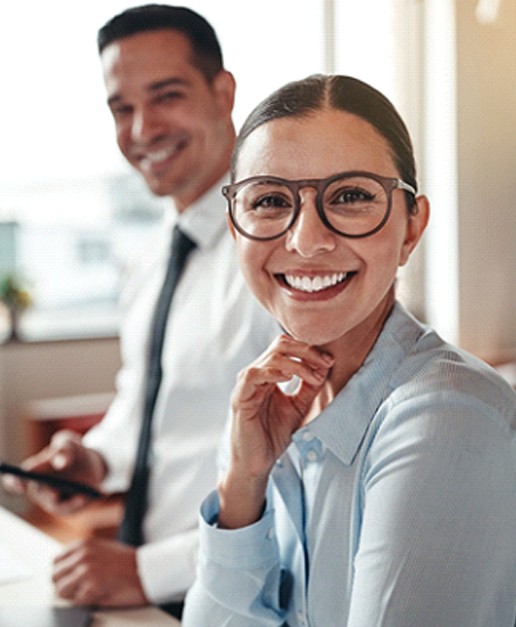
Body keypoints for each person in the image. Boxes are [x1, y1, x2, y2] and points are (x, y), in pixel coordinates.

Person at [182, 74, 516, 626]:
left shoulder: (445, 418)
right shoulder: (263, 405)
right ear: (236, 231)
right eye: (268, 200)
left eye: (352, 196)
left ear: (412, 227)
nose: (306, 239)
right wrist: (243, 482)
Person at [2, 4, 277, 617]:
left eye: (166, 96)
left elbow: (306, 472)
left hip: (236, 593)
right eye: (121, 108)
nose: (141, 129)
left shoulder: (281, 254)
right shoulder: (151, 256)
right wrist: (95, 460)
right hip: (141, 592)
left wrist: (149, 571)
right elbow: (146, 404)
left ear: (222, 91)